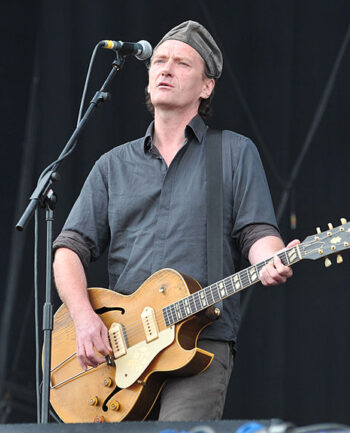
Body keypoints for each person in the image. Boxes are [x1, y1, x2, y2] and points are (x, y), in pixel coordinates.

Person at [52, 20, 299, 421]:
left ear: (206, 87)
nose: (165, 68)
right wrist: (83, 318)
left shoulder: (233, 152)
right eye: (160, 62)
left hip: (199, 343)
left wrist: (271, 259)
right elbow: (68, 250)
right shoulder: (113, 165)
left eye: (182, 63)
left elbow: (257, 233)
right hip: (121, 354)